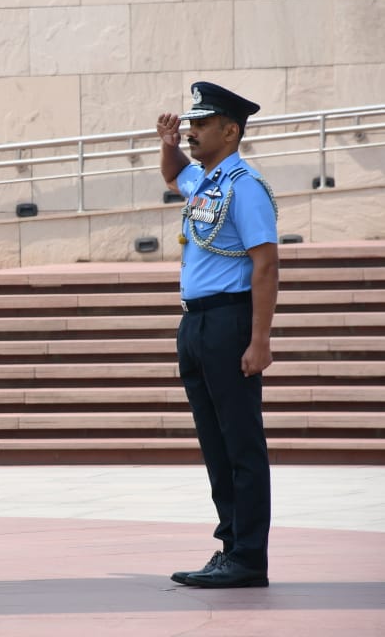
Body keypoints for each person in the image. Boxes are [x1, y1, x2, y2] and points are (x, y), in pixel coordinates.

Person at [157, 82, 279, 589]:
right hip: (197, 323)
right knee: (215, 442)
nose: (192, 132)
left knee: (240, 443)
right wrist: (168, 145)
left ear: (230, 132)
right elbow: (173, 176)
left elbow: (266, 264)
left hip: (229, 321)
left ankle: (248, 556)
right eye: (191, 125)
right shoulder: (207, 181)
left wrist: (259, 340)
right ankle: (230, 545)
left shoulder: (244, 186)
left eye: (201, 125)